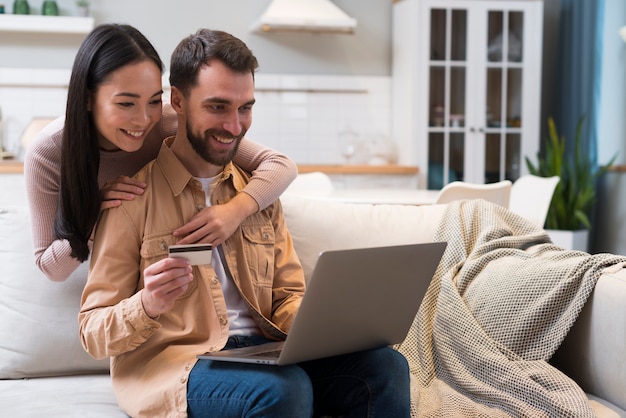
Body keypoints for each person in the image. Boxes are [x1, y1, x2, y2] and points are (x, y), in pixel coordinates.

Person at [79, 28, 410, 418]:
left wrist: (326, 323)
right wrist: (147, 304)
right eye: (217, 107)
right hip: (181, 364)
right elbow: (92, 331)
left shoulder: (256, 199)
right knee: (283, 390)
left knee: (386, 367)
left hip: (264, 352)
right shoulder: (131, 200)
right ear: (178, 101)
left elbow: (287, 295)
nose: (234, 127)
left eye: (245, 108)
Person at [23, 23, 297, 282]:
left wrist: (234, 211)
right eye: (126, 103)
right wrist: (95, 215)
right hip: (113, 280)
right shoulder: (48, 154)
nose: (143, 120)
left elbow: (279, 164)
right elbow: (51, 269)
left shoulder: (168, 122)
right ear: (87, 98)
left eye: (154, 101)